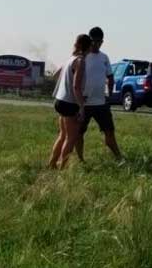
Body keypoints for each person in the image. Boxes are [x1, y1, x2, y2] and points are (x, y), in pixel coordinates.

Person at [76, 27, 124, 163]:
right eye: (94, 41)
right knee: (79, 133)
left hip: (101, 103)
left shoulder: (104, 57)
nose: (96, 44)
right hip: (84, 104)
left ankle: (119, 157)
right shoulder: (82, 57)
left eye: (99, 42)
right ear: (89, 41)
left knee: (109, 131)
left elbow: (110, 76)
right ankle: (80, 159)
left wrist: (109, 94)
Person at [48, 34, 91, 169]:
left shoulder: (69, 59)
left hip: (60, 100)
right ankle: (62, 168)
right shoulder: (80, 61)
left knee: (63, 135)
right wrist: (82, 107)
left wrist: (64, 86)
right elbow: (76, 87)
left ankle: (52, 164)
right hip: (69, 103)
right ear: (88, 47)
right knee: (71, 138)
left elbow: (55, 75)